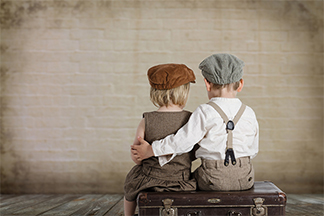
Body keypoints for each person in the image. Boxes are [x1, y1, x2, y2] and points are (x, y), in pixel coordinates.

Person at [132, 53, 259, 191]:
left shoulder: (205, 111)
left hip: (213, 179)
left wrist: (153, 150)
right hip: (246, 177)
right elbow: (253, 149)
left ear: (207, 84)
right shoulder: (249, 112)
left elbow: (183, 142)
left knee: (189, 179)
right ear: (240, 84)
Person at [123, 63, 197, 216]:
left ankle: (128, 214)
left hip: (150, 179)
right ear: (184, 93)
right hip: (181, 181)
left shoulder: (147, 120)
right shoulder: (191, 120)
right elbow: (194, 152)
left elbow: (136, 158)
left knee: (129, 187)